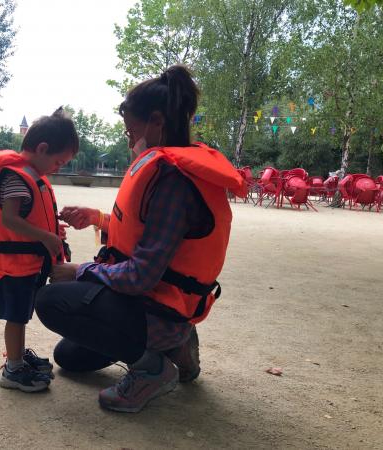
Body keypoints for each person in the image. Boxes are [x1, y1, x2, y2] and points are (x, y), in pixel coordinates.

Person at [35, 66, 246, 412]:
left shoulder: (173, 180)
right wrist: (98, 218)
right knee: (68, 356)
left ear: (157, 122)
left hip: (158, 308)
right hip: (154, 302)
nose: (129, 139)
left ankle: (154, 368)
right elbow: (145, 237)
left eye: (131, 130)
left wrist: (80, 271)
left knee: (50, 301)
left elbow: (140, 276)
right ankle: (175, 349)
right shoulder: (167, 170)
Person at [0, 108, 78, 392]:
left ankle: (18, 356)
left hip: (29, 264)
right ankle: (13, 369)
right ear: (42, 149)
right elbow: (9, 219)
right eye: (58, 162)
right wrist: (45, 235)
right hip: (15, 265)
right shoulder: (16, 177)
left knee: (21, 314)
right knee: (16, 316)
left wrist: (53, 228)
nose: (58, 168)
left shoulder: (32, 176)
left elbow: (27, 216)